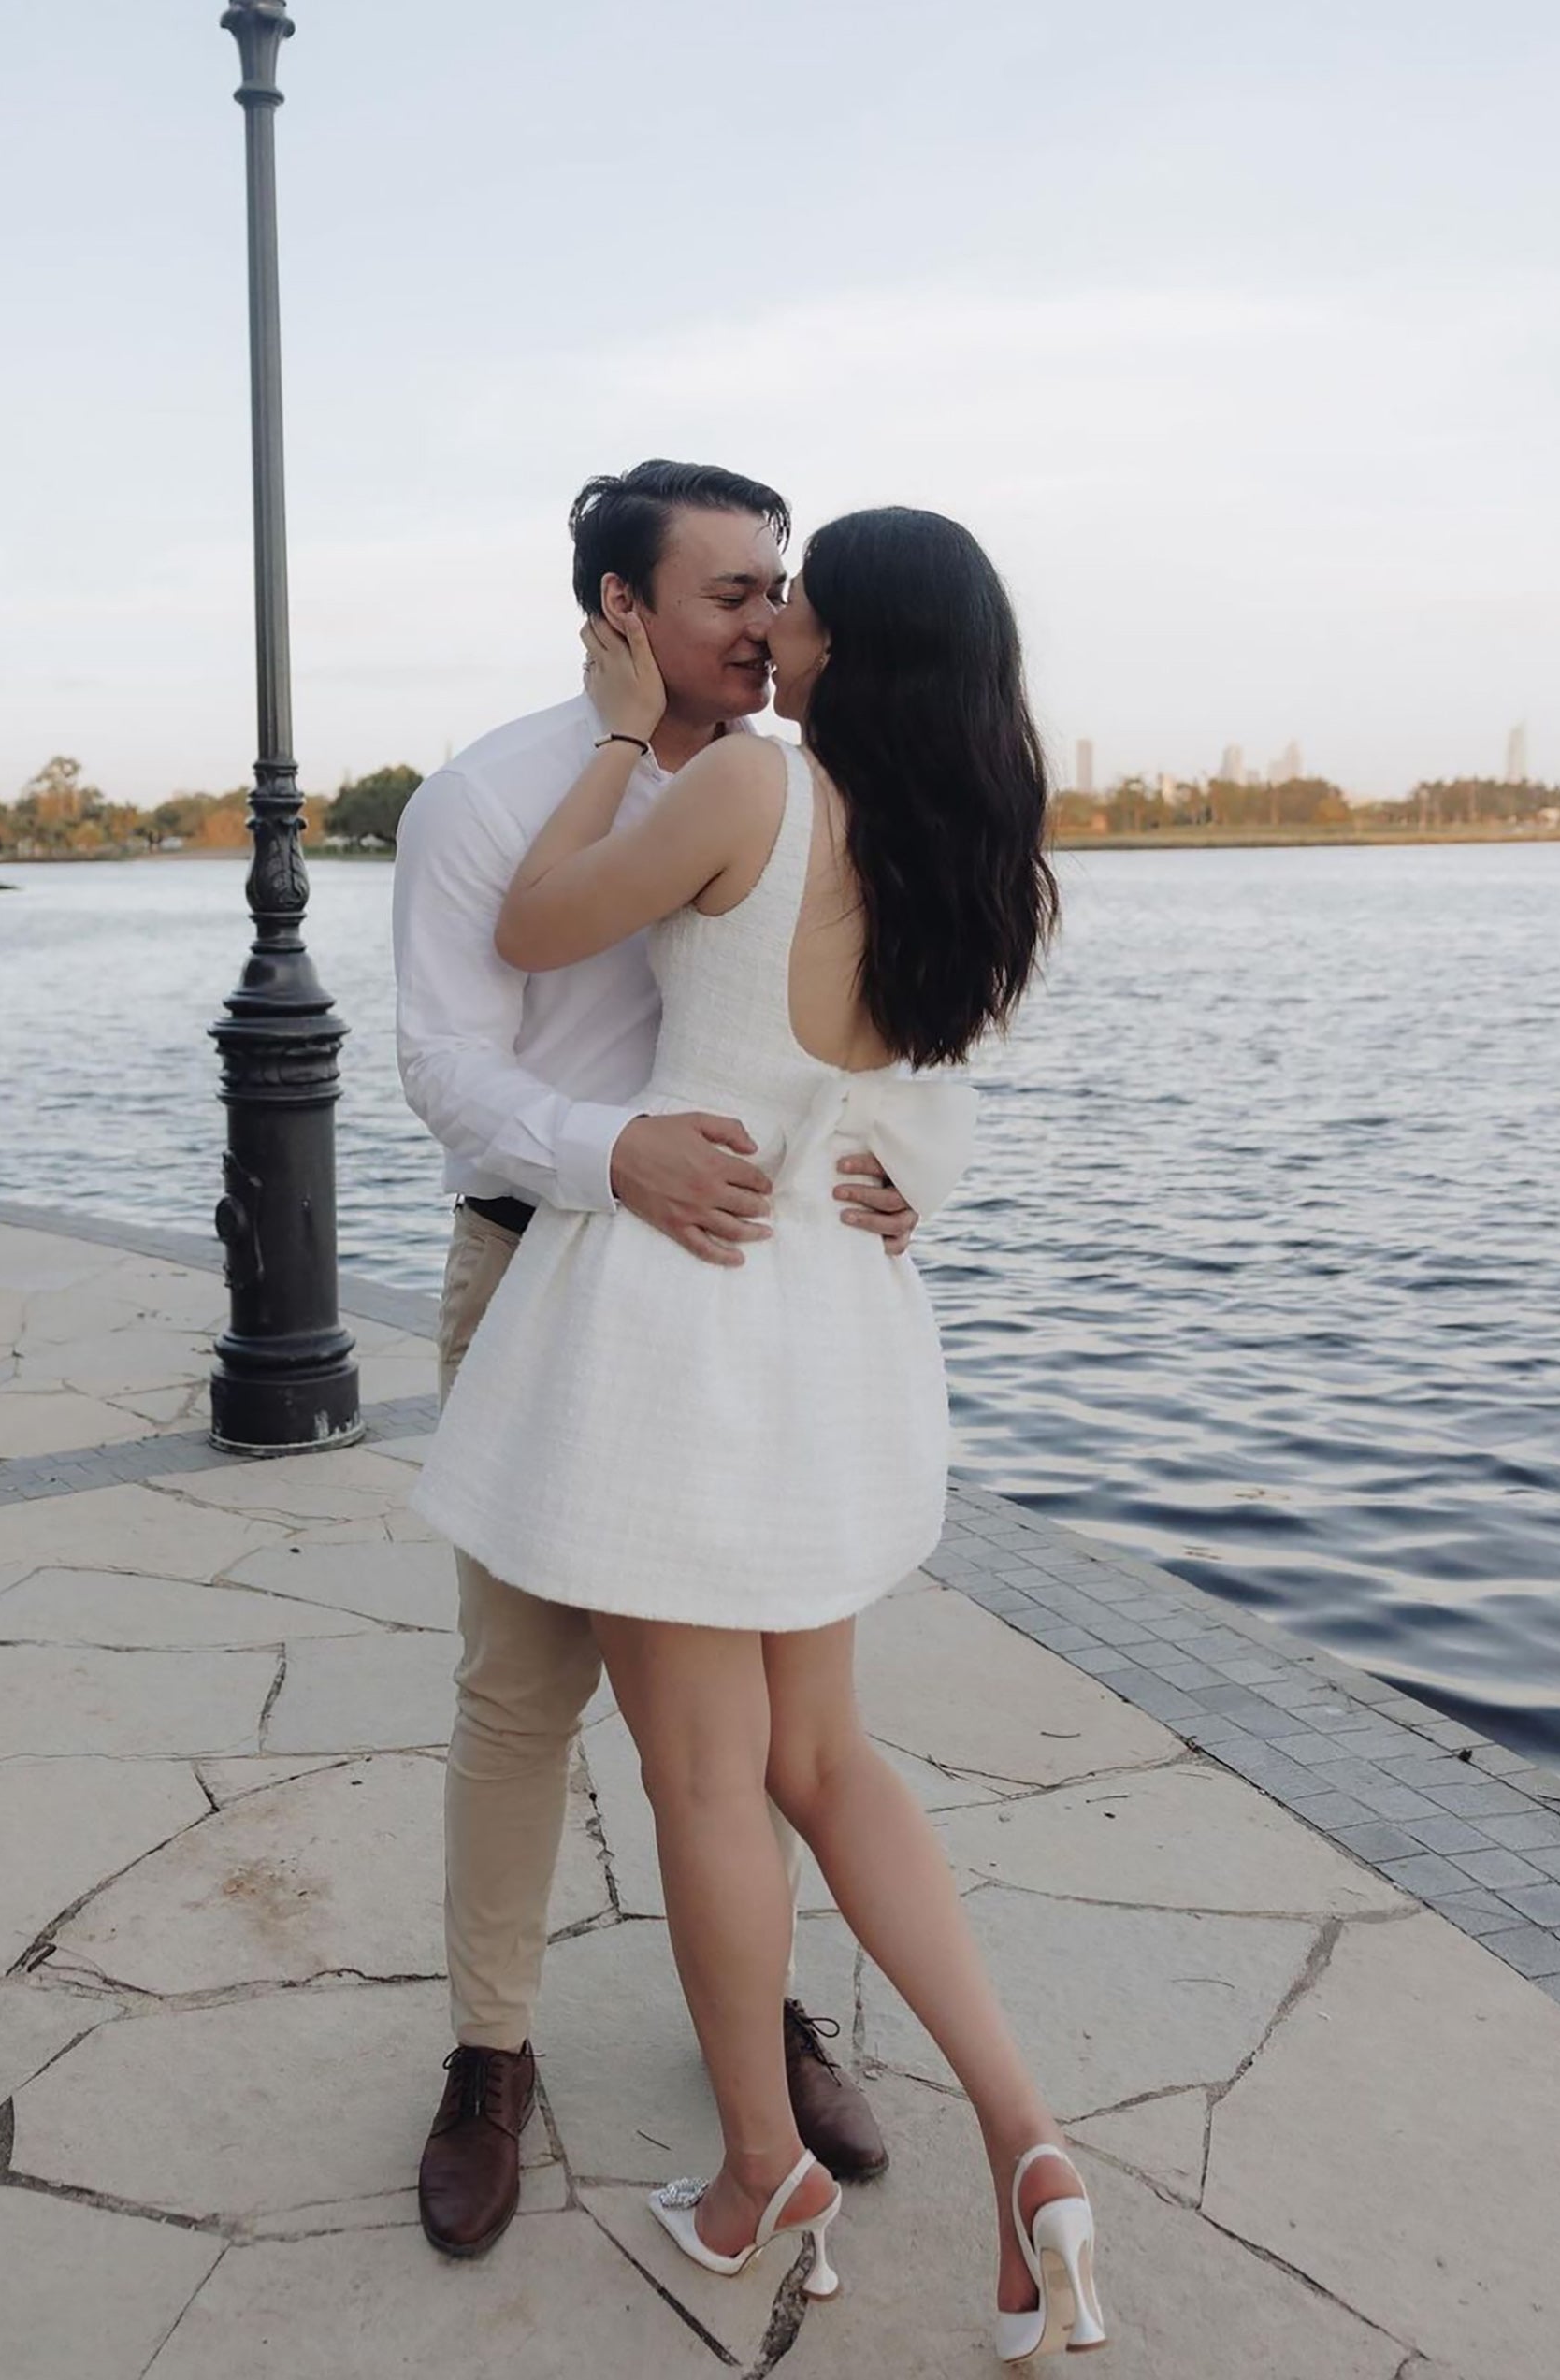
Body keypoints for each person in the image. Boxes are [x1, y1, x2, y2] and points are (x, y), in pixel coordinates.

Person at [415, 506, 1108, 2360]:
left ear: (849, 643)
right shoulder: (986, 854)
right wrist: (903, 1181)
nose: (774, 616)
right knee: (835, 1758)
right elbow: (917, 1119)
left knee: (711, 1782)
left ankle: (753, 2173)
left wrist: (635, 746)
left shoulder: (753, 794)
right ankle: (1028, 2140)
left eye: (799, 597)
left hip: (678, 1314)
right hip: (835, 1327)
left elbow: (531, 922)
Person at [393, 460, 909, 2264]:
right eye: (730, 594)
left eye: (782, 588)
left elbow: (910, 1018)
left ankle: (762, 2036)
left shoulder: (815, 781)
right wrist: (608, 1153)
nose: (769, 625)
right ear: (622, 610)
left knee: (764, 1730)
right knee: (520, 1695)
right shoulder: (485, 796)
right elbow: (446, 1064)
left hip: (747, 1315)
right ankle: (488, 2053)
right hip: (547, 1277)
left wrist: (903, 1168)